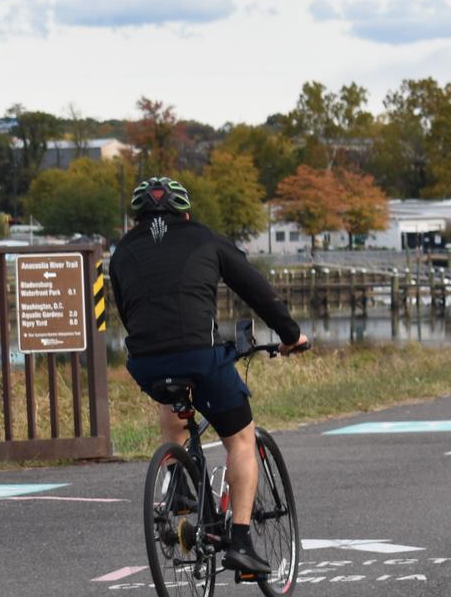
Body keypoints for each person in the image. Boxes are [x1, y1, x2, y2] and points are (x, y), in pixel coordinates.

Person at [108, 176, 309, 576]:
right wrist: (290, 335)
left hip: (145, 361)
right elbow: (257, 291)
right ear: (186, 212)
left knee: (171, 394)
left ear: (137, 217)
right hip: (201, 356)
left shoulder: (121, 253)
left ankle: (179, 479)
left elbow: (128, 310)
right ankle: (241, 541)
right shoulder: (206, 239)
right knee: (240, 438)